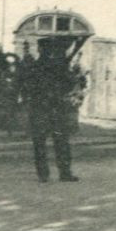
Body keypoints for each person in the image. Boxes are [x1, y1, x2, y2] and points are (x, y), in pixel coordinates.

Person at [22, 45, 83, 183]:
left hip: (39, 109)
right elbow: (69, 84)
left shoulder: (33, 67)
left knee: (40, 143)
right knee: (61, 142)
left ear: (39, 51)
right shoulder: (59, 67)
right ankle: (64, 173)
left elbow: (26, 86)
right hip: (55, 108)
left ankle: (43, 174)